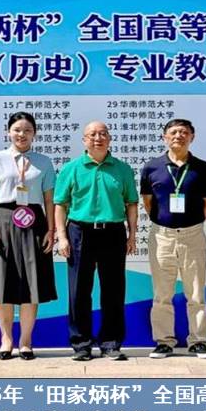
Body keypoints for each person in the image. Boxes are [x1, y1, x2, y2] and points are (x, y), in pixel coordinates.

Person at [0, 112, 57, 361]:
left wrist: (51, 230)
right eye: (17, 129)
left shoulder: (43, 162)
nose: (22, 134)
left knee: (31, 285)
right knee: (3, 283)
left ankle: (26, 341)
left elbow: (50, 200)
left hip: (34, 222)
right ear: (9, 132)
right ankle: (6, 339)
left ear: (35, 134)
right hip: (3, 221)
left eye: (27, 130)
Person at [54, 121, 139, 361]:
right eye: (92, 134)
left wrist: (132, 235)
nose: (98, 138)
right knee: (79, 291)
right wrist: (62, 237)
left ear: (110, 138)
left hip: (113, 232)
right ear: (84, 140)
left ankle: (111, 343)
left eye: (103, 134)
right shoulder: (71, 169)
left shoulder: (122, 169)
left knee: (113, 290)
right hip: (79, 232)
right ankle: (81, 344)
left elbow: (131, 203)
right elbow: (60, 205)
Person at [140, 119, 206, 359]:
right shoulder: (152, 167)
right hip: (162, 236)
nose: (178, 136)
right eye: (173, 132)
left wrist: (189, 224)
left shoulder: (202, 168)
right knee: (162, 293)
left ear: (192, 137)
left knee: (196, 293)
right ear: (164, 137)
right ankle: (164, 341)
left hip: (193, 235)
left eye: (184, 132)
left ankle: (198, 341)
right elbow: (148, 203)